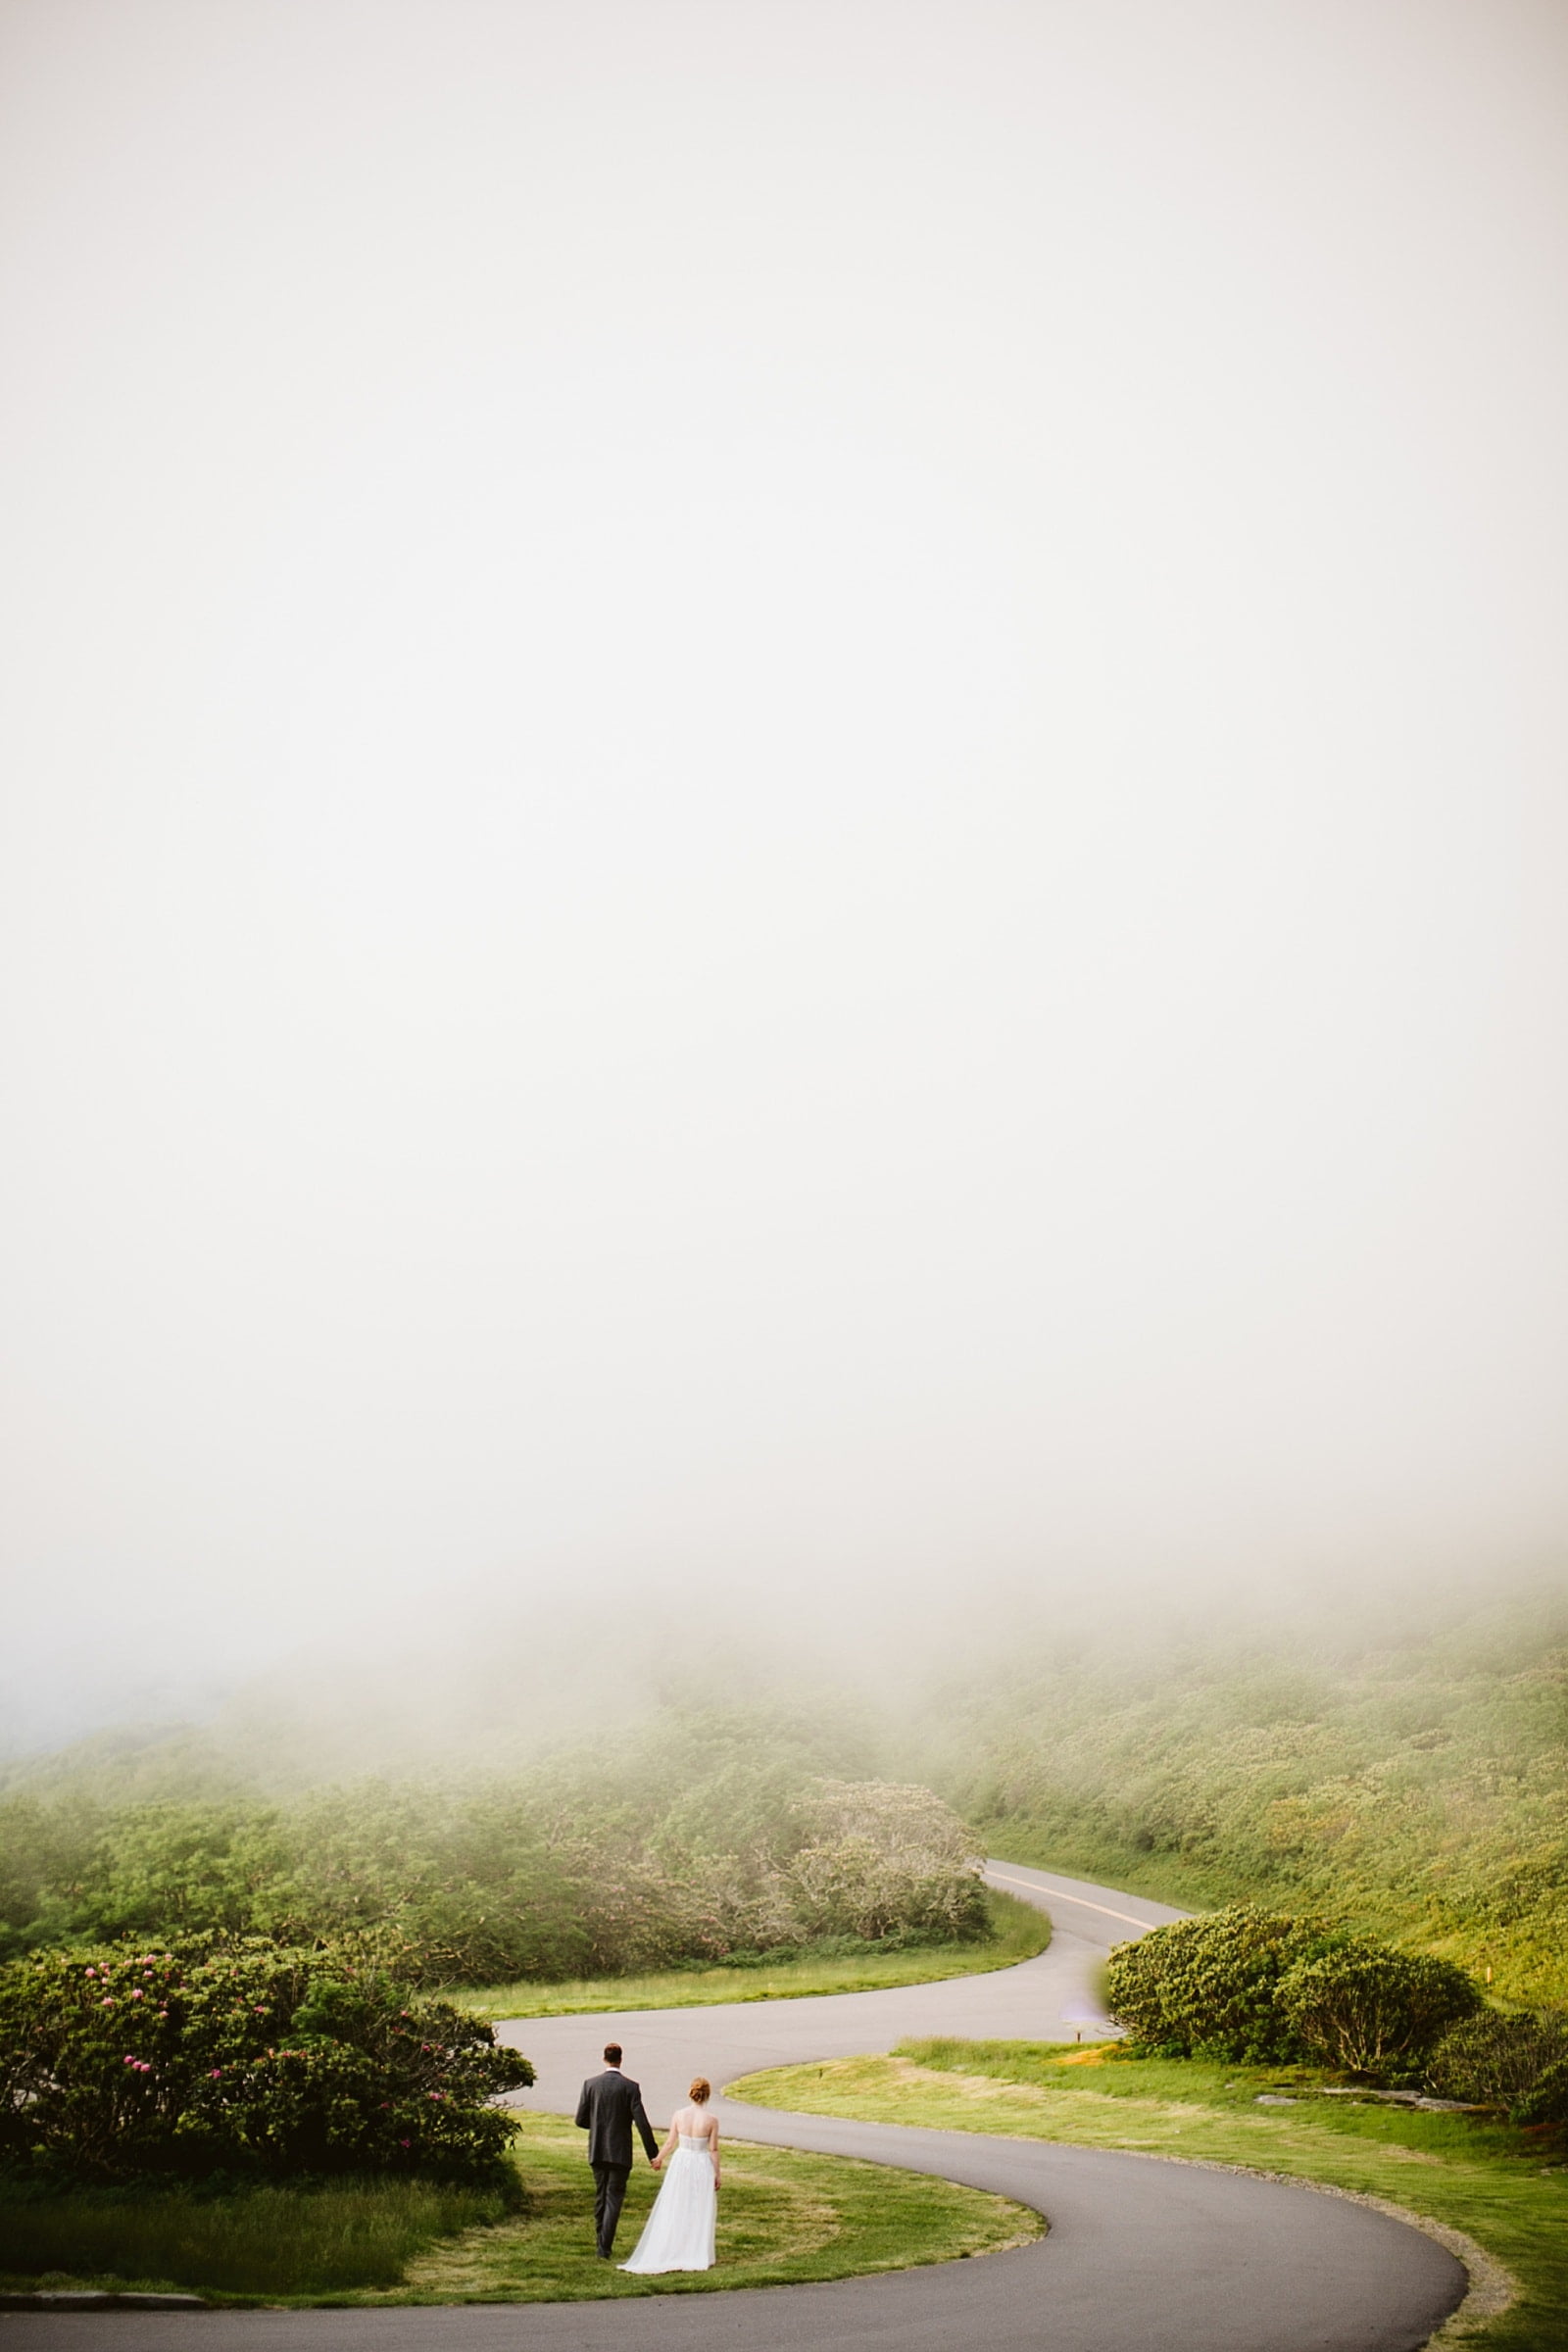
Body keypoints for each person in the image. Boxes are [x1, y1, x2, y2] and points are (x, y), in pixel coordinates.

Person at [618, 2075, 720, 2274]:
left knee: (677, 2202)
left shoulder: (679, 2115)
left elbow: (670, 2142)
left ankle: (677, 2245)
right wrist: (717, 2174)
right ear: (707, 2095)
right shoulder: (711, 2120)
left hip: (681, 2162)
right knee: (697, 2205)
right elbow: (713, 2149)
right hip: (700, 2162)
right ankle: (694, 2248)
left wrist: (659, 2158)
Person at [574, 2042, 660, 2260]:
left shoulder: (590, 2085)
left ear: (604, 2059)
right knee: (614, 2197)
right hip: (620, 2152)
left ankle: (600, 2241)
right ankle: (604, 2248)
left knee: (601, 2196)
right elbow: (642, 2122)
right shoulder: (630, 2087)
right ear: (621, 2060)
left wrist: (598, 2126)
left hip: (597, 2149)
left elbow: (580, 2119)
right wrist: (653, 2153)